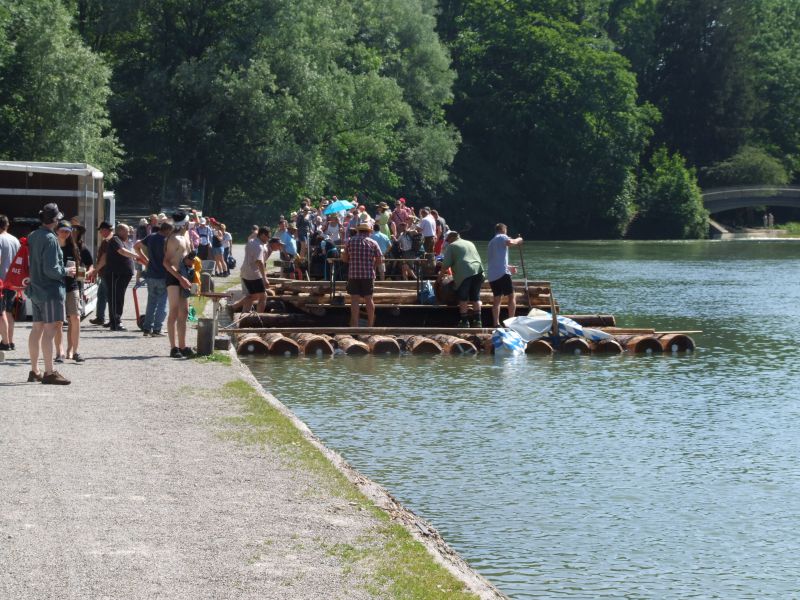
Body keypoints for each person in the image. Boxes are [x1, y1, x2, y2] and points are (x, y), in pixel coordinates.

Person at [27, 203, 74, 384]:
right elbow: (51, 270)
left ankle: (35, 370)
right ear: (55, 221)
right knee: (50, 331)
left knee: (36, 330)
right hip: (50, 291)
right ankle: (49, 372)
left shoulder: (33, 236)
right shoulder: (51, 239)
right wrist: (67, 271)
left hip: (35, 289)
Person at [163, 211, 195, 358]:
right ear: (185, 223)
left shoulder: (185, 236)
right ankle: (173, 347)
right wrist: (180, 278)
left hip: (185, 276)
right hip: (174, 276)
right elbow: (166, 262)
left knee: (185, 312)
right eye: (188, 222)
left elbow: (185, 257)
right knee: (174, 311)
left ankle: (182, 346)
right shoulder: (174, 239)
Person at [439, 230, 485, 328]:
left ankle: (464, 322)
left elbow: (445, 265)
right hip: (478, 271)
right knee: (475, 298)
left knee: (463, 298)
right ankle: (478, 321)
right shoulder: (470, 243)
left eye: (448, 240)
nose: (448, 242)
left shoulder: (452, 246)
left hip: (465, 273)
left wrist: (439, 278)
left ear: (451, 238)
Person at [135, 221, 173, 337]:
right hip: (163, 275)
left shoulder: (151, 237)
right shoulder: (167, 240)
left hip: (151, 274)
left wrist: (146, 260)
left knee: (151, 302)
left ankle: (147, 328)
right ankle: (157, 329)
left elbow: (136, 246)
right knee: (162, 303)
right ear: (168, 230)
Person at [342, 221, 383, 327]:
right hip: (368, 275)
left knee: (354, 300)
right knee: (369, 299)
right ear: (369, 232)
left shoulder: (350, 241)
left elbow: (344, 259)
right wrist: (372, 265)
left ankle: (355, 325)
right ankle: (370, 325)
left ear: (358, 231)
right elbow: (380, 260)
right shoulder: (373, 243)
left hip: (353, 274)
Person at [487, 223, 524, 327]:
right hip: (502, 274)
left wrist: (508, 267)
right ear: (504, 230)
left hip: (492, 275)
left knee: (497, 299)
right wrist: (519, 240)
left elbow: (496, 261)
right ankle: (511, 322)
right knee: (511, 296)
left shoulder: (491, 242)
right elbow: (510, 242)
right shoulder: (501, 236)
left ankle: (496, 323)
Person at [104, 223, 139, 331]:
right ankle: (115, 322)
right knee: (115, 298)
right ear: (120, 231)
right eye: (127, 231)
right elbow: (122, 251)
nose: (129, 234)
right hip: (116, 274)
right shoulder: (115, 239)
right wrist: (136, 256)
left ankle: (115, 320)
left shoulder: (121, 240)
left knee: (119, 298)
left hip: (122, 274)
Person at [231, 227, 273, 313]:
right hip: (254, 274)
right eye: (268, 237)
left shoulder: (251, 241)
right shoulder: (259, 246)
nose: (268, 239)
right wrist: (264, 278)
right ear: (262, 235)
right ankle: (259, 317)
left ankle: (236, 308)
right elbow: (259, 262)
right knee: (263, 297)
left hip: (245, 273)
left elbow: (252, 236)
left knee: (253, 296)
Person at [0, 214, 21, 352]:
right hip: (13, 281)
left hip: (1, 281)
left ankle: (5, 342)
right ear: (7, 225)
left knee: (1, 312)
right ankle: (11, 341)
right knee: (8, 312)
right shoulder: (15, 240)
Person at [89, 221, 113, 325]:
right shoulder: (114, 239)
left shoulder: (106, 242)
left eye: (101, 230)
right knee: (102, 295)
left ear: (105, 230)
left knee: (108, 296)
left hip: (106, 272)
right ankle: (100, 317)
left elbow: (104, 258)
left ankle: (112, 319)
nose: (100, 233)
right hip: (106, 273)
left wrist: (96, 270)